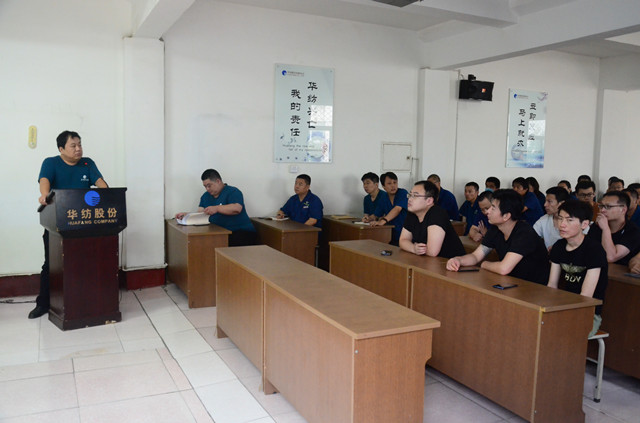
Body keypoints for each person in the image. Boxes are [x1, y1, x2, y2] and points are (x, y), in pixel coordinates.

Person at [29, 131, 109, 319]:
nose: (78, 149)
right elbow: (44, 181)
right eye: (73, 146)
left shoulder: (87, 163)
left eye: (80, 144)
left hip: (85, 224)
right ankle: (43, 304)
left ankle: (88, 300)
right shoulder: (51, 163)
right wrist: (44, 195)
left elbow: (102, 185)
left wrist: (108, 194)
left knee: (87, 263)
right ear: (61, 149)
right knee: (51, 265)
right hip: (57, 224)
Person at [446, 189, 550, 285]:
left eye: (493, 208)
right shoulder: (495, 229)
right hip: (512, 283)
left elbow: (504, 268)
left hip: (535, 288)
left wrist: (484, 264)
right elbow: (476, 256)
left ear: (506, 216)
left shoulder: (524, 233)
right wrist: (458, 260)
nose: (488, 211)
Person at [548, 200, 608, 338]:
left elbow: (585, 296)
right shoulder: (558, 246)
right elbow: (552, 285)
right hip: (563, 306)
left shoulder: (594, 250)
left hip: (588, 312)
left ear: (584, 224)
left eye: (569, 220)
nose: (562, 224)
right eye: (560, 218)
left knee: (564, 334)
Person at [176, 169, 256, 246]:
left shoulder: (233, 191)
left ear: (218, 181)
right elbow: (200, 213)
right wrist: (186, 215)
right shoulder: (205, 196)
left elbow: (237, 208)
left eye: (209, 186)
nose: (207, 189)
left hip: (240, 232)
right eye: (205, 186)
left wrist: (217, 208)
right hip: (218, 234)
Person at [399, 180, 465, 258]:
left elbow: (432, 252)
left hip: (451, 262)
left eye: (415, 196)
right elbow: (402, 241)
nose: (410, 199)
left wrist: (413, 247)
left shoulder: (437, 213)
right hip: (428, 261)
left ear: (429, 201)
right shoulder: (412, 214)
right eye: (410, 195)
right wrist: (413, 248)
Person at [587, 191, 640, 265]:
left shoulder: (633, 231)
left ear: (623, 210)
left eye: (608, 207)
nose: (602, 210)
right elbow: (588, 251)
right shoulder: (596, 227)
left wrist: (605, 229)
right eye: (601, 206)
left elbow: (610, 257)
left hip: (622, 271)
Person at [370, 172, 408, 246]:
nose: (393, 185)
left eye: (395, 182)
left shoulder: (403, 193)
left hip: (405, 235)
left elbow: (397, 209)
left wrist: (383, 221)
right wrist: (369, 218)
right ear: (383, 186)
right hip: (390, 235)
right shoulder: (384, 197)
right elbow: (376, 214)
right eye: (389, 183)